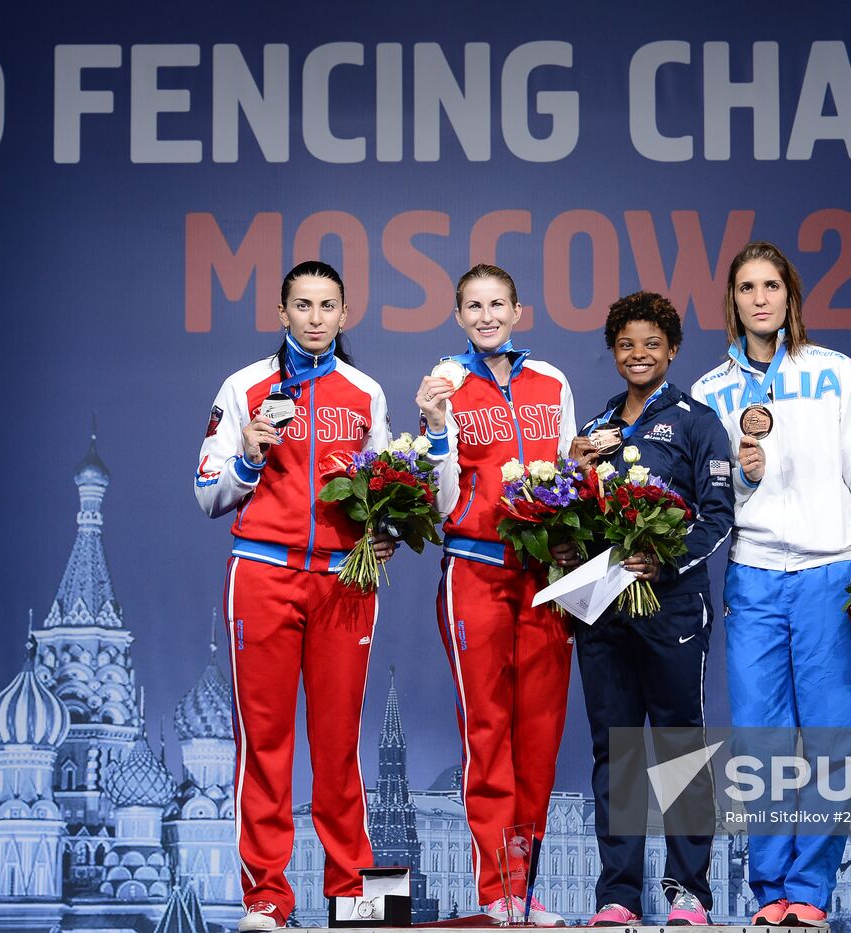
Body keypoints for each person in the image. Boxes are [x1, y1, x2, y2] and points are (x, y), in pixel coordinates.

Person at [692, 242, 851, 928]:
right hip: (753, 575)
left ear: (790, 295)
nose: (760, 298)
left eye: (771, 285)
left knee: (833, 738)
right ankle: (768, 888)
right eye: (747, 286)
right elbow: (712, 494)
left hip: (832, 570)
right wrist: (744, 476)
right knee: (760, 742)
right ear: (734, 299)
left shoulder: (836, 371)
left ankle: (810, 888)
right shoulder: (710, 391)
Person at [195, 261, 396, 933]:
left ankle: (360, 905)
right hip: (263, 573)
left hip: (344, 580)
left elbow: (387, 488)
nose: (315, 316)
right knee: (265, 741)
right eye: (302, 305)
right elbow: (206, 494)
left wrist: (386, 526)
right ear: (282, 313)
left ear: (345, 315)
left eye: (327, 305)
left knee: (340, 744)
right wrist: (249, 458)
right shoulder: (246, 386)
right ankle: (266, 901)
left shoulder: (366, 391)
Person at [562, 292, 734, 927]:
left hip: (672, 608)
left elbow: (718, 517)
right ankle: (619, 896)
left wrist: (665, 561)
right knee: (617, 750)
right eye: (627, 344)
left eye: (652, 344)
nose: (639, 354)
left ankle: (689, 891)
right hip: (603, 609)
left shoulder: (697, 421)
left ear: (673, 351)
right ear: (613, 351)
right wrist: (573, 473)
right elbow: (574, 509)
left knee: (681, 746)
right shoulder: (599, 424)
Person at [415, 263, 576, 926]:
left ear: (518, 310)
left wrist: (572, 535)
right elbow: (443, 498)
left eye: (497, 303)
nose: (486, 316)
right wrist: (436, 428)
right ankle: (496, 891)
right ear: (459, 316)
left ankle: (527, 885)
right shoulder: (444, 382)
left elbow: (569, 472)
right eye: (473, 306)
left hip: (544, 577)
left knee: (539, 734)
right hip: (474, 570)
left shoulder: (552, 381)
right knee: (488, 731)